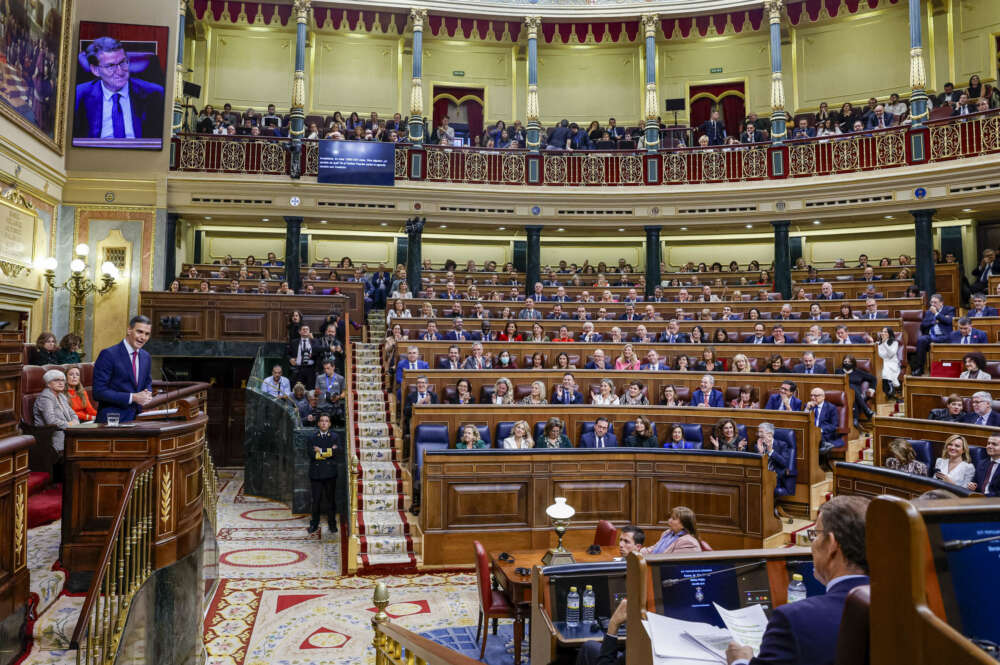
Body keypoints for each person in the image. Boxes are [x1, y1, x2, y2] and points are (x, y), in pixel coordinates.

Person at [726, 496, 871, 665]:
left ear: (832, 545)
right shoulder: (901, 608)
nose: (812, 546)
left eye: (814, 535)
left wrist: (741, 661)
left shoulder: (794, 620)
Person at [73, 37, 165, 140]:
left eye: (122, 63)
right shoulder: (78, 96)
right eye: (110, 66)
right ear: (95, 70)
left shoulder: (156, 95)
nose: (120, 72)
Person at [92, 315, 153, 423]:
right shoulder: (108, 354)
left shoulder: (146, 356)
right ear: (129, 330)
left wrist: (147, 393)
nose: (143, 337)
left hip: (138, 420)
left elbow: (147, 382)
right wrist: (132, 397)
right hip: (111, 421)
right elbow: (99, 392)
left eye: (147, 334)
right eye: (139, 332)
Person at [307, 414, 343, 534]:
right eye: (321, 421)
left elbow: (337, 452)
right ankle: (314, 523)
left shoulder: (335, 436)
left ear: (330, 424)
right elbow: (312, 455)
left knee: (330, 500)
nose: (324, 423)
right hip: (316, 474)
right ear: (318, 423)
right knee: (316, 501)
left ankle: (332, 524)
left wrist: (321, 451)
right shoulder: (312, 437)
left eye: (326, 421)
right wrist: (329, 451)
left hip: (330, 474)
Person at [33, 369, 80, 453]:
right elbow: (51, 421)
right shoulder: (45, 398)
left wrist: (75, 421)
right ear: (48, 384)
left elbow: (72, 413)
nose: (61, 383)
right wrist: (69, 424)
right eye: (56, 380)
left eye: (62, 380)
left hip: (67, 433)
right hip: (52, 438)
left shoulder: (61, 396)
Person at [912, 293, 955, 375]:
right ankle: (920, 368)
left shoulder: (949, 309)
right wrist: (934, 321)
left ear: (941, 302)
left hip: (944, 336)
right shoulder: (928, 312)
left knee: (949, 338)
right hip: (931, 336)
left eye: (935, 302)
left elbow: (949, 321)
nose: (933, 304)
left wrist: (936, 314)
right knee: (921, 340)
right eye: (931, 302)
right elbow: (923, 325)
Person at [757, 422, 796, 497]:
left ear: (770, 434)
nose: (759, 435)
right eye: (758, 432)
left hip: (776, 478)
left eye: (761, 432)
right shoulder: (758, 446)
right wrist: (760, 453)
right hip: (761, 476)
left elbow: (784, 463)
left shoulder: (782, 445)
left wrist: (771, 451)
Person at [836, 356, 876, 427]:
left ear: (853, 363)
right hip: (843, 394)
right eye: (845, 362)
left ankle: (855, 419)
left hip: (857, 394)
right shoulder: (838, 371)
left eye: (849, 362)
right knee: (850, 386)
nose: (847, 363)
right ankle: (866, 411)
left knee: (852, 390)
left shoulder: (859, 372)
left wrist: (872, 389)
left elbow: (873, 378)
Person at [806, 387, 843, 463]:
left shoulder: (831, 408)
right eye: (811, 395)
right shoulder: (808, 406)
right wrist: (806, 409)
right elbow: (803, 422)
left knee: (815, 436)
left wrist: (819, 430)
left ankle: (814, 464)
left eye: (816, 396)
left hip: (824, 434)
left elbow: (834, 425)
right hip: (809, 433)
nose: (813, 398)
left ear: (823, 397)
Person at [877, 328, 901, 399]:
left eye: (885, 332)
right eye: (882, 332)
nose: (883, 333)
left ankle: (890, 387)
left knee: (885, 368)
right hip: (881, 362)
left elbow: (891, 354)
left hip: (892, 362)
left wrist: (885, 343)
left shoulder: (894, 343)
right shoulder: (878, 344)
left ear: (889, 334)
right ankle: (888, 390)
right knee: (882, 367)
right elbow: (879, 355)